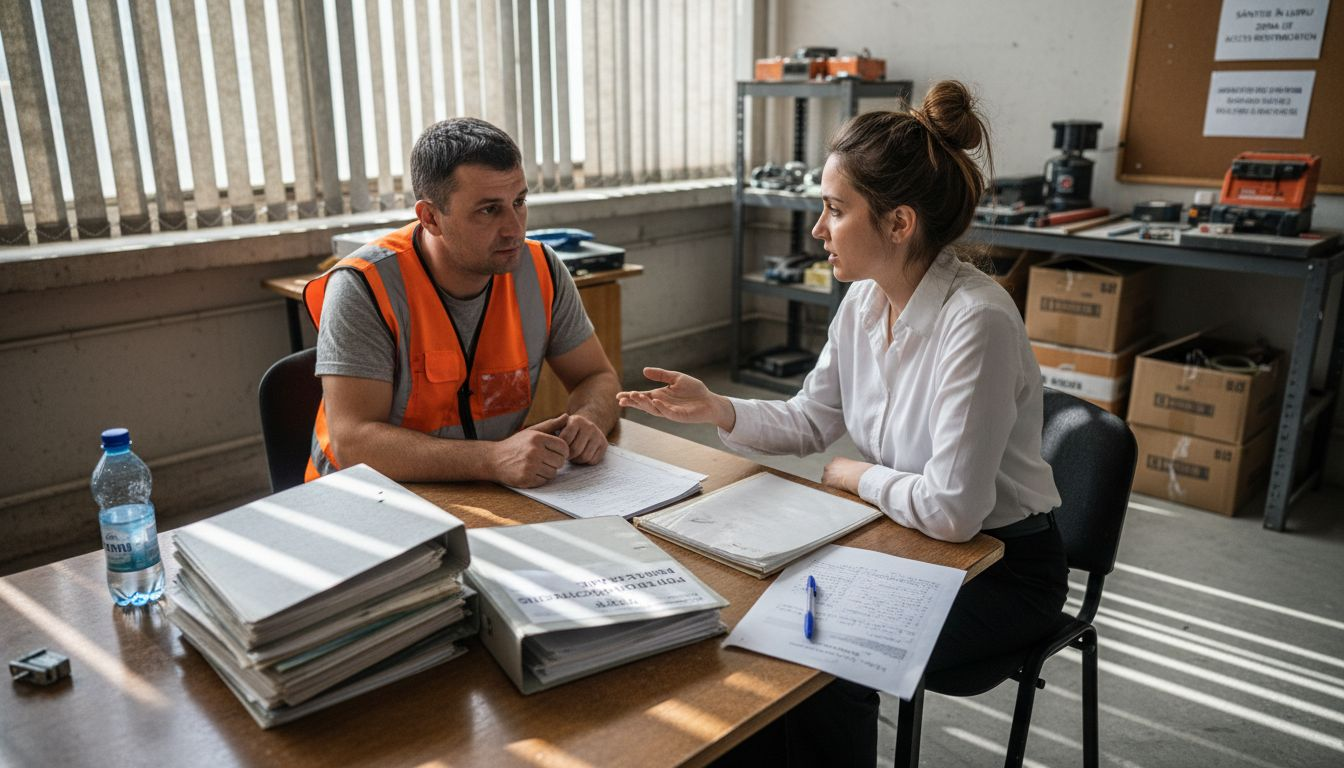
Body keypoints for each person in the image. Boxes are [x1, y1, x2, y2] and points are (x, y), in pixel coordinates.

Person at [618, 81, 1065, 765]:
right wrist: (720, 408)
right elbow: (808, 419)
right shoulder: (862, 301)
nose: (818, 230)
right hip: (905, 541)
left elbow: (955, 512)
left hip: (1002, 570)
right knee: (750, 622)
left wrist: (859, 476)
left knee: (825, 657)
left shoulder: (976, 322)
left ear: (898, 223)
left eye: (834, 210)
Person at [304, 117, 619, 488]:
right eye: (488, 210)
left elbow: (597, 377)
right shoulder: (363, 287)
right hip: (364, 497)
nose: (514, 228)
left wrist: (589, 419)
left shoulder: (541, 269)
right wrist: (492, 458)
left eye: (519, 202)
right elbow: (352, 442)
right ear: (431, 217)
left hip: (482, 487)